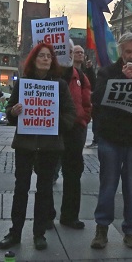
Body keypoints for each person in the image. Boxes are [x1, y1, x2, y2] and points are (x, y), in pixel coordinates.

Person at [0, 43, 76, 252]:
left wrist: (55, 120)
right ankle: (15, 232)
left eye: (49, 56)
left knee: (44, 191)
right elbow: (8, 110)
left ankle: (39, 233)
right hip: (25, 144)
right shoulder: (23, 84)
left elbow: (71, 114)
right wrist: (13, 112)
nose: (45, 59)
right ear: (33, 59)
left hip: (50, 146)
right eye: (41, 55)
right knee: (20, 188)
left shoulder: (60, 85)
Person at [89, 33, 132, 250]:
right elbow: (96, 98)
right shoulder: (107, 72)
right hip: (110, 136)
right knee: (108, 184)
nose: (131, 56)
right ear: (121, 52)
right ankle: (102, 228)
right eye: (128, 52)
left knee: (131, 186)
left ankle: (130, 231)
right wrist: (121, 78)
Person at [55, 44, 92, 230]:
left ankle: (70, 216)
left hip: (74, 130)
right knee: (47, 175)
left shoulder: (81, 76)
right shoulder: (50, 74)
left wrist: (84, 119)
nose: (68, 55)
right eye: (65, 51)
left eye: (71, 52)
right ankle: (45, 216)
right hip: (52, 130)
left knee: (73, 174)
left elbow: (86, 101)